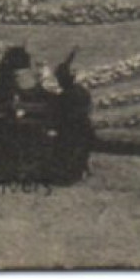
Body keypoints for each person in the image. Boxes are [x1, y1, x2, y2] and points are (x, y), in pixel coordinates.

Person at [52, 50, 94, 183]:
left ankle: (68, 171)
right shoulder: (82, 91)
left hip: (70, 129)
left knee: (64, 141)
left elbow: (59, 115)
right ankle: (81, 168)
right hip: (85, 127)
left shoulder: (64, 96)